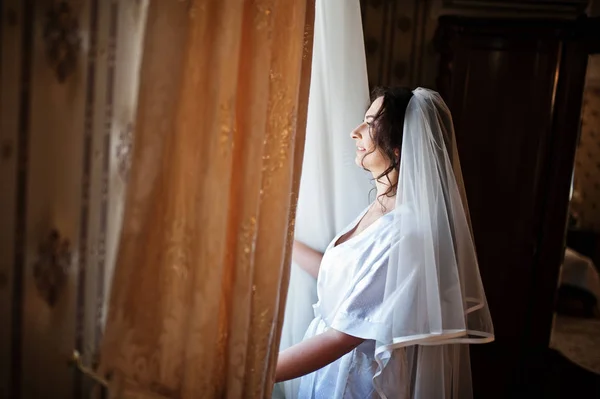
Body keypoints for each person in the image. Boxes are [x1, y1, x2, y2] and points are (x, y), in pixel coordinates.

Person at [275, 87, 494, 398]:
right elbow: (342, 280)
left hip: (351, 380)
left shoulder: (407, 233)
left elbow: (342, 337)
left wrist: (260, 372)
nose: (355, 132)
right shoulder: (379, 209)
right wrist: (282, 242)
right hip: (327, 367)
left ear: (398, 148)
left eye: (370, 124)